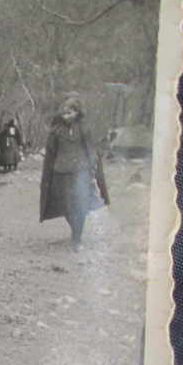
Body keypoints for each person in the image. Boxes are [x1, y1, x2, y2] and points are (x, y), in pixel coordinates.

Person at [39, 95, 109, 251]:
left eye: (69, 112)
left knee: (80, 206)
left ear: (77, 113)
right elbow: (51, 154)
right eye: (64, 112)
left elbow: (91, 150)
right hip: (61, 174)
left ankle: (76, 239)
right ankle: (75, 231)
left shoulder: (84, 129)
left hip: (80, 173)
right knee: (66, 207)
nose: (66, 115)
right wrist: (48, 175)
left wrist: (92, 168)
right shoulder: (56, 131)